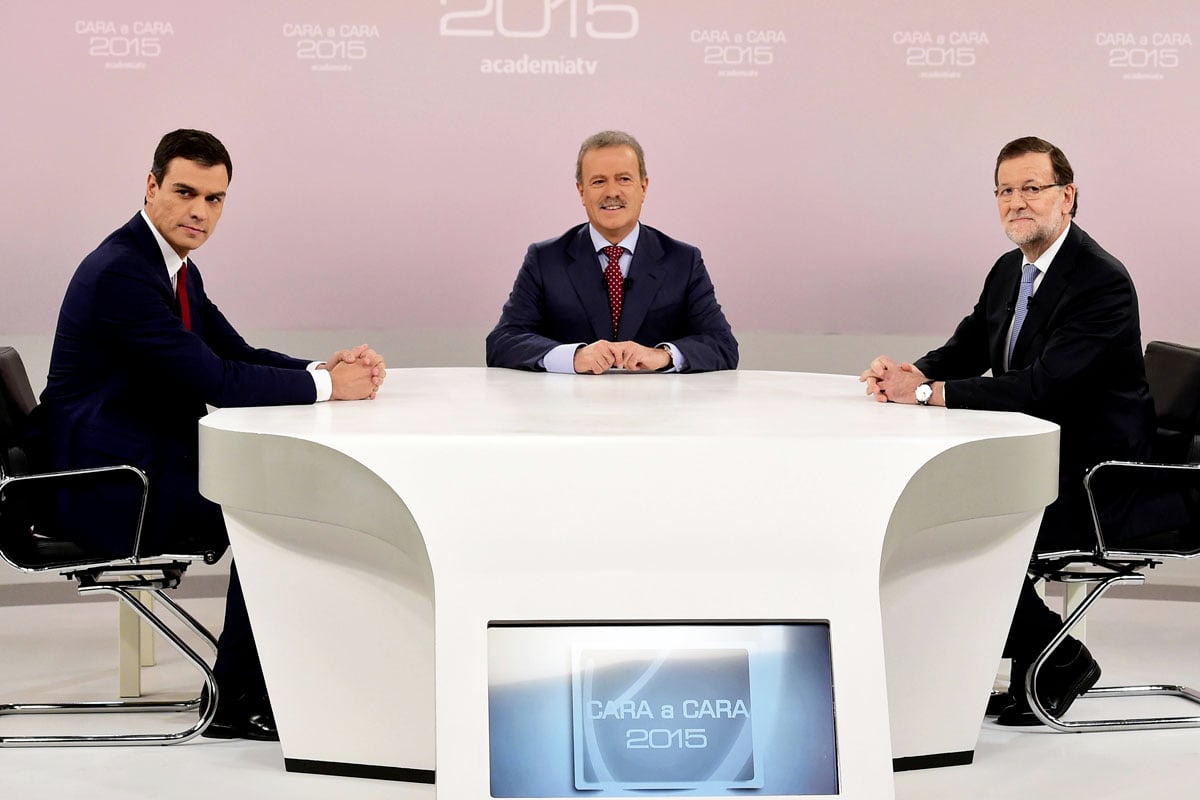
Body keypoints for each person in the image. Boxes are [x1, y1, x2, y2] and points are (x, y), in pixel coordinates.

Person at [32, 129, 387, 740]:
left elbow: (234, 351)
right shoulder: (123, 272)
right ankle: (239, 698)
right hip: (105, 484)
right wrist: (332, 391)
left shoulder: (172, 267)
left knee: (280, 498)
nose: (200, 211)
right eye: (185, 192)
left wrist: (322, 372)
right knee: (276, 511)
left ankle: (245, 687)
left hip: (137, 459)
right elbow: (217, 379)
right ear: (151, 187)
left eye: (216, 199)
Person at [859, 136, 1155, 726]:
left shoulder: (1101, 282)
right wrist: (913, 372)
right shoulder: (1009, 268)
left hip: (1096, 475)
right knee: (940, 518)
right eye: (1004, 191)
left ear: (1067, 197)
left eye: (1031, 188)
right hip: (1039, 458)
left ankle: (1056, 660)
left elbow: (1042, 387)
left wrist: (923, 396)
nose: (1016, 202)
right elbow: (970, 344)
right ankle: (1051, 659)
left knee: (964, 526)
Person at [486, 130, 738, 374]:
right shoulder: (545, 259)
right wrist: (573, 356)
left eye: (624, 179)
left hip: (659, 411)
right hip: (567, 411)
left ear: (643, 187)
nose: (612, 192)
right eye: (598, 181)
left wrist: (664, 355)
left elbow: (722, 345)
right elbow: (502, 342)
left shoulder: (683, 260)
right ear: (581, 192)